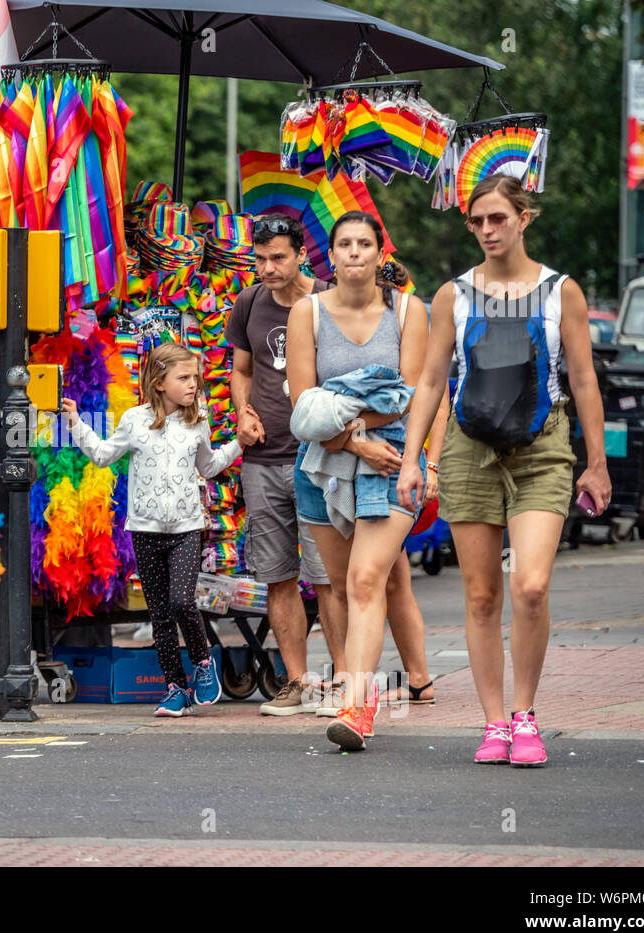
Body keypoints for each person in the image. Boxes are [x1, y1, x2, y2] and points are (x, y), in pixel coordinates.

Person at [396, 174, 611, 767]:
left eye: (498, 218)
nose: (487, 230)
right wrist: (414, 458)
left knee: (531, 586)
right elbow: (433, 381)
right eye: (477, 221)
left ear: (524, 217)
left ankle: (525, 714)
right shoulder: (453, 295)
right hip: (470, 448)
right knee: (483, 595)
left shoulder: (559, 290)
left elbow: (584, 378)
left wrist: (596, 463)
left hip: (544, 446)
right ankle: (494, 724)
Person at [287, 211, 429, 751]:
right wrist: (352, 439)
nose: (353, 253)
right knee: (343, 587)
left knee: (368, 580)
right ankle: (359, 684)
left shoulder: (407, 309)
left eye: (363, 244)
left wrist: (422, 461)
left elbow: (417, 395)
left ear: (378, 253)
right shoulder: (308, 313)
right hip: (320, 464)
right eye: (343, 244)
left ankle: (356, 705)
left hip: (391, 463)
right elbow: (304, 406)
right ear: (331, 254)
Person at [62, 342, 254, 717]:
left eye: (195, 378)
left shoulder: (197, 421)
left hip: (186, 529)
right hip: (145, 531)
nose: (193, 385)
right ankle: (175, 688)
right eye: (184, 378)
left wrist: (239, 444)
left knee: (182, 601)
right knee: (161, 615)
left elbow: (210, 466)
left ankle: (201, 661)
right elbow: (102, 455)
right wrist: (75, 422)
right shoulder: (134, 419)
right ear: (159, 381)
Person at [227, 214, 344, 716]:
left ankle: (343, 679)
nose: (268, 267)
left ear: (301, 255)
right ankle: (297, 681)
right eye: (260, 258)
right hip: (262, 457)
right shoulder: (250, 302)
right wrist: (242, 412)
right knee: (277, 575)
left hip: (318, 458)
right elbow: (240, 369)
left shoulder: (327, 301)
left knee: (328, 577)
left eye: (278, 257)